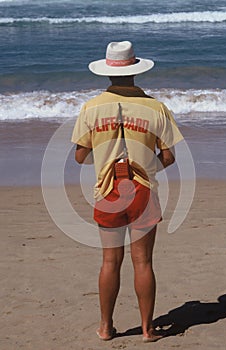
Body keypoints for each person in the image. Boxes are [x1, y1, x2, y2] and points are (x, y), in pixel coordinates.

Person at [71, 41, 183, 342]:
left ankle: (106, 328)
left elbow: (80, 156)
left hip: (108, 191)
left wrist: (105, 158)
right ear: (135, 70)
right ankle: (148, 330)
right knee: (143, 262)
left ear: (107, 73)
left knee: (109, 261)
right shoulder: (155, 108)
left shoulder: (91, 108)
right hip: (143, 189)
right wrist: (144, 168)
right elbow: (170, 157)